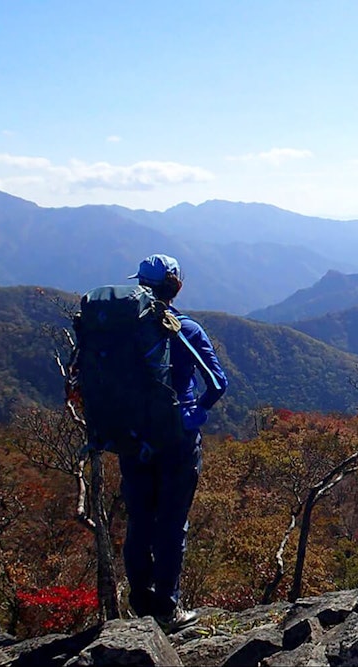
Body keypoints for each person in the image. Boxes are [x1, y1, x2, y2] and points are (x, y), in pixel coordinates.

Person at [121, 253, 228, 632]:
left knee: (139, 521)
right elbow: (217, 384)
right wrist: (194, 413)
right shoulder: (184, 329)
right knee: (171, 525)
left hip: (133, 439)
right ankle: (166, 610)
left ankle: (140, 603)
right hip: (176, 442)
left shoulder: (123, 330)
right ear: (177, 286)